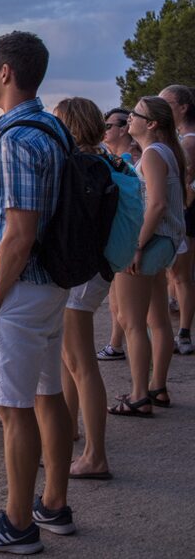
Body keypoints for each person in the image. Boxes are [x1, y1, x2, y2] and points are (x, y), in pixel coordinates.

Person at [0, 31, 74, 554]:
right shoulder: (52, 129)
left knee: (12, 410)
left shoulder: (18, 140)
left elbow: (20, 232)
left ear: (6, 72)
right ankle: (54, 505)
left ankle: (18, 524)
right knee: (48, 394)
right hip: (50, 287)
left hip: (19, 292)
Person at [53, 98, 120, 480]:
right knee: (70, 360)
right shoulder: (106, 161)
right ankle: (71, 429)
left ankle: (95, 456)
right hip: (96, 270)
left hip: (79, 275)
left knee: (81, 364)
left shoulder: (76, 165)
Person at [110, 95, 185, 416]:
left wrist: (135, 246)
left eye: (135, 115)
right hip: (165, 243)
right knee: (156, 318)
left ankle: (139, 394)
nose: (129, 119)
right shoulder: (166, 151)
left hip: (148, 244)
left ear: (151, 124)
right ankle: (158, 387)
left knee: (132, 322)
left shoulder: (153, 154)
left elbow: (156, 204)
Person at [96, 108, 134, 361]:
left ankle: (142, 385)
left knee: (129, 311)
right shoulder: (114, 158)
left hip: (126, 242)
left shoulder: (129, 162)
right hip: (121, 243)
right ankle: (115, 343)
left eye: (109, 125)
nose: (105, 129)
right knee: (117, 303)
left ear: (123, 129)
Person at [160, 83, 195, 356]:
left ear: (183, 107)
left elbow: (187, 182)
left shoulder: (188, 141)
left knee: (181, 275)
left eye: (167, 104)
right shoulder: (181, 138)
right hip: (184, 211)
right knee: (177, 274)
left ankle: (184, 332)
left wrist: (179, 209)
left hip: (187, 213)